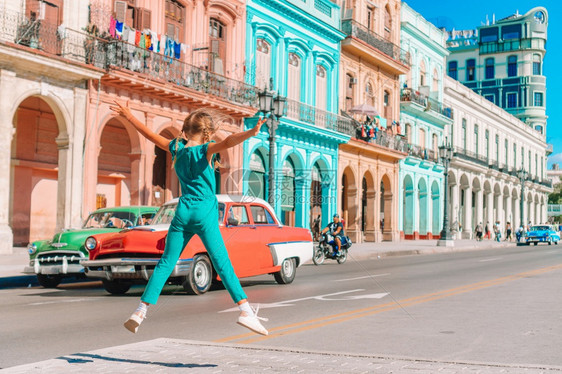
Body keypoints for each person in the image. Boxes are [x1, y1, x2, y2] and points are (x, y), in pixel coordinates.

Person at [110, 101, 269, 336]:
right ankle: (245, 311)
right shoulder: (204, 150)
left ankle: (140, 312)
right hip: (204, 211)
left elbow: (151, 135)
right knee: (222, 263)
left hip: (182, 210)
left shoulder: (177, 148)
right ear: (207, 132)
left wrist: (129, 115)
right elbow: (229, 142)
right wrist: (251, 133)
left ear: (187, 129)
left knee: (166, 263)